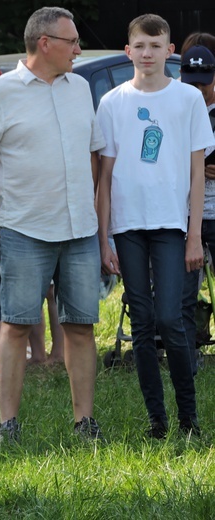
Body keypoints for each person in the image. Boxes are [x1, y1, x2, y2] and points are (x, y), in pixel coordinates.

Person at [0, 6, 105, 442]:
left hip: (81, 229)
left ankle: (85, 422)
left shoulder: (80, 87)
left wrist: (92, 207)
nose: (78, 50)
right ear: (46, 44)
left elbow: (95, 152)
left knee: (80, 327)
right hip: (25, 230)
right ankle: (8, 425)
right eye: (73, 42)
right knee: (16, 325)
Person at [97, 14, 215, 439]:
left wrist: (194, 234)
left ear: (170, 52)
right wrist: (104, 238)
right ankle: (157, 421)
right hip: (127, 228)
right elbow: (104, 178)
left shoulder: (187, 100)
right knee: (142, 323)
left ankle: (189, 417)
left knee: (171, 317)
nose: (148, 54)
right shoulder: (111, 102)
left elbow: (198, 173)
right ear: (128, 51)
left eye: (156, 46)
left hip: (170, 225)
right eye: (140, 47)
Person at [178, 38, 215, 375]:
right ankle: (187, 359)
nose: (200, 91)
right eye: (193, 84)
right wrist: (192, 165)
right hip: (186, 214)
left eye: (205, 84)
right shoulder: (174, 105)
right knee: (185, 294)